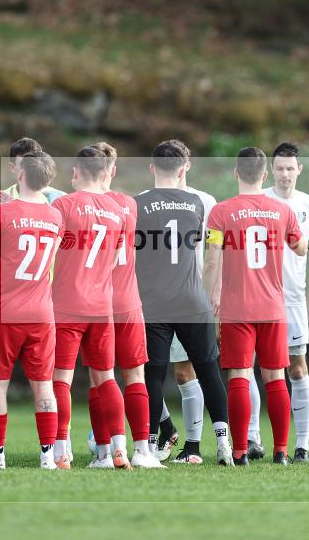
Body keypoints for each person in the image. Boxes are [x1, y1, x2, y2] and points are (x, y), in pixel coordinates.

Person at [203, 147, 307, 466]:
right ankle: (281, 452)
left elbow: (211, 260)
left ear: (236, 173)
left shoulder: (221, 212)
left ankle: (239, 452)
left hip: (237, 308)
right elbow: (300, 248)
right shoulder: (283, 210)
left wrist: (210, 299)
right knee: (275, 377)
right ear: (265, 175)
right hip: (273, 307)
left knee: (239, 377)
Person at [136, 140, 232, 466]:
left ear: (152, 168)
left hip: (158, 300)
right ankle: (221, 441)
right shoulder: (201, 204)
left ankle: (176, 446)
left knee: (159, 372)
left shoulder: (138, 204)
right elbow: (217, 253)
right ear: (184, 167)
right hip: (193, 299)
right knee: (204, 370)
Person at [247, 142, 309, 463]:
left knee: (296, 367)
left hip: (293, 298)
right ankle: (253, 437)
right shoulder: (259, 200)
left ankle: (302, 445)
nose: (285, 174)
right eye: (280, 168)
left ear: (300, 169)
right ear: (272, 170)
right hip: (257, 296)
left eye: (290, 168)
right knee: (253, 366)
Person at [0, 152, 62, 469]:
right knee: (43, 385)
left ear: (20, 175)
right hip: (41, 312)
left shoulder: (2, 212)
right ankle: (47, 457)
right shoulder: (56, 217)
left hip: (4, 310)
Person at [51, 145, 129, 469]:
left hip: (67, 304)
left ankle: (60, 453)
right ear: (106, 173)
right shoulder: (118, 211)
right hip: (101, 304)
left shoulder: (63, 205)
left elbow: (48, 254)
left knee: (60, 380)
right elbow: (113, 261)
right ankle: (119, 450)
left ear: (75, 172)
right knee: (106, 379)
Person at [89, 142, 163, 468]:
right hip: (129, 301)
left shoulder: (78, 204)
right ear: (113, 171)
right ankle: (143, 450)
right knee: (135, 377)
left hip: (96, 301)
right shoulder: (129, 205)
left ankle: (104, 452)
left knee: (100, 378)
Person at [0, 137, 66, 205]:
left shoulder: (61, 200)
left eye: (35, 165)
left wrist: (14, 208)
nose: (30, 172)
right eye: (24, 166)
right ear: (12, 168)